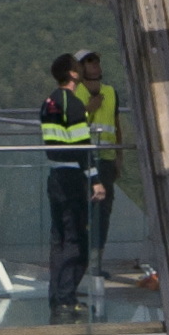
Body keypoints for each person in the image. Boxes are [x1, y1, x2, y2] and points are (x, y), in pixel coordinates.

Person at [40, 52, 105, 321]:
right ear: (74, 74)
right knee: (77, 238)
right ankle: (67, 298)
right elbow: (82, 147)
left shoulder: (49, 102)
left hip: (54, 177)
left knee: (59, 239)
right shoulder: (74, 104)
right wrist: (96, 180)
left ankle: (57, 296)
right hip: (72, 178)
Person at [77, 51, 125, 274]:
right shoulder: (75, 92)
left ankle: (96, 263)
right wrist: (89, 109)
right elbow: (69, 123)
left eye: (96, 61)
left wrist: (118, 156)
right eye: (89, 62)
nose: (95, 65)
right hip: (83, 158)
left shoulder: (110, 92)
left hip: (105, 158)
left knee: (103, 211)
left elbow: (116, 125)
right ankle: (79, 261)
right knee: (82, 210)